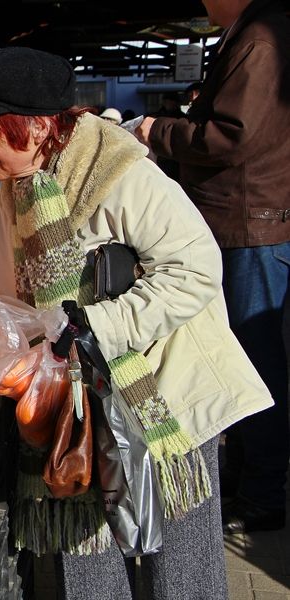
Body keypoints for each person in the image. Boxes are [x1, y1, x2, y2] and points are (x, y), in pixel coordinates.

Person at [0, 46, 272, 600]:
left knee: (181, 573)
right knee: (87, 556)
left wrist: (90, 327)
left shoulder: (121, 176)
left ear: (36, 127)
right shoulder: (16, 194)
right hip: (78, 403)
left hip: (163, 396)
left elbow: (194, 270)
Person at [136, 0, 290, 535]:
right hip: (241, 221)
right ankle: (249, 483)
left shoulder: (261, 40)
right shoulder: (249, 36)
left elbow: (233, 136)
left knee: (251, 362)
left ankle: (262, 494)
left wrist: (158, 131)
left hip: (249, 225)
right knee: (245, 357)